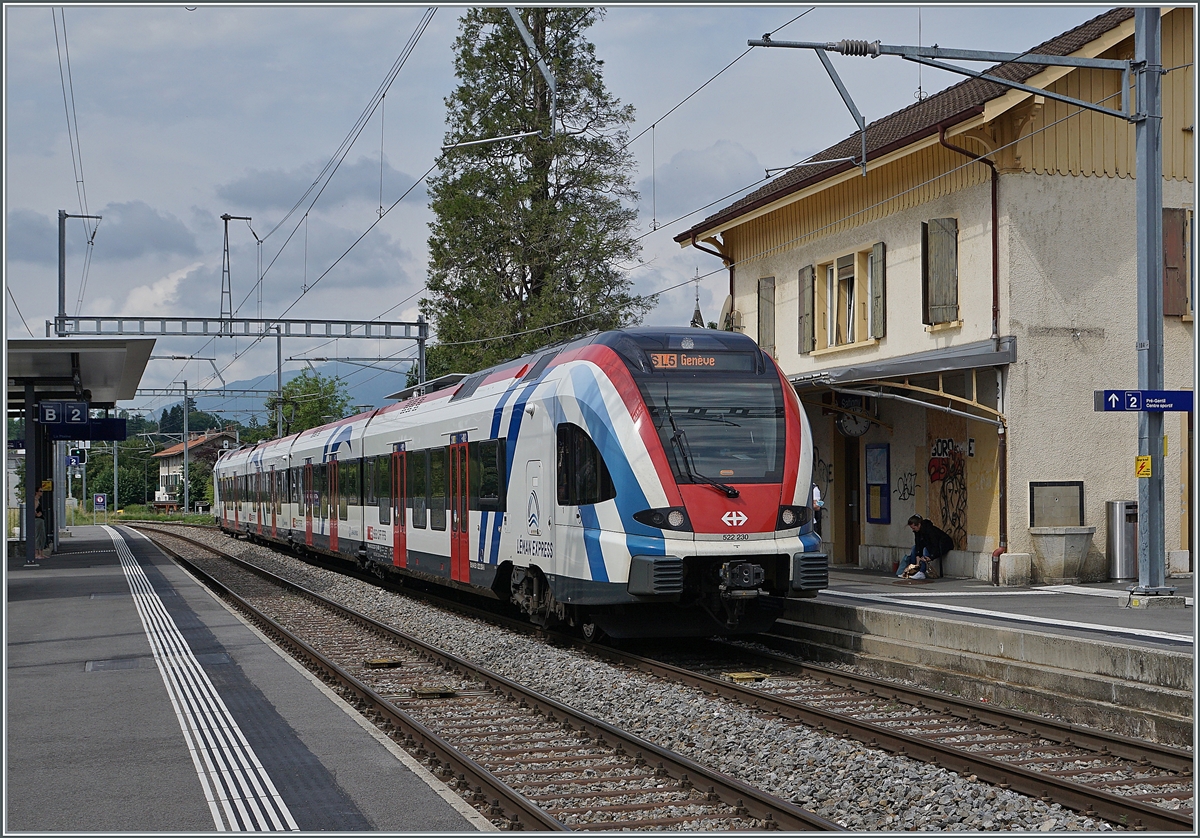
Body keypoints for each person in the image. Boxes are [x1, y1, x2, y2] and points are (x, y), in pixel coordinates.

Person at [33, 488, 47, 560]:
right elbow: (33, 509)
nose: (42, 493)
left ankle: (41, 553)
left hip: (41, 519)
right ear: (36, 492)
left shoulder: (38, 500)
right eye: (40, 491)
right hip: (37, 520)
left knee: (42, 536)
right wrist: (37, 514)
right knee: (38, 536)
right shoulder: (35, 500)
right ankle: (37, 553)